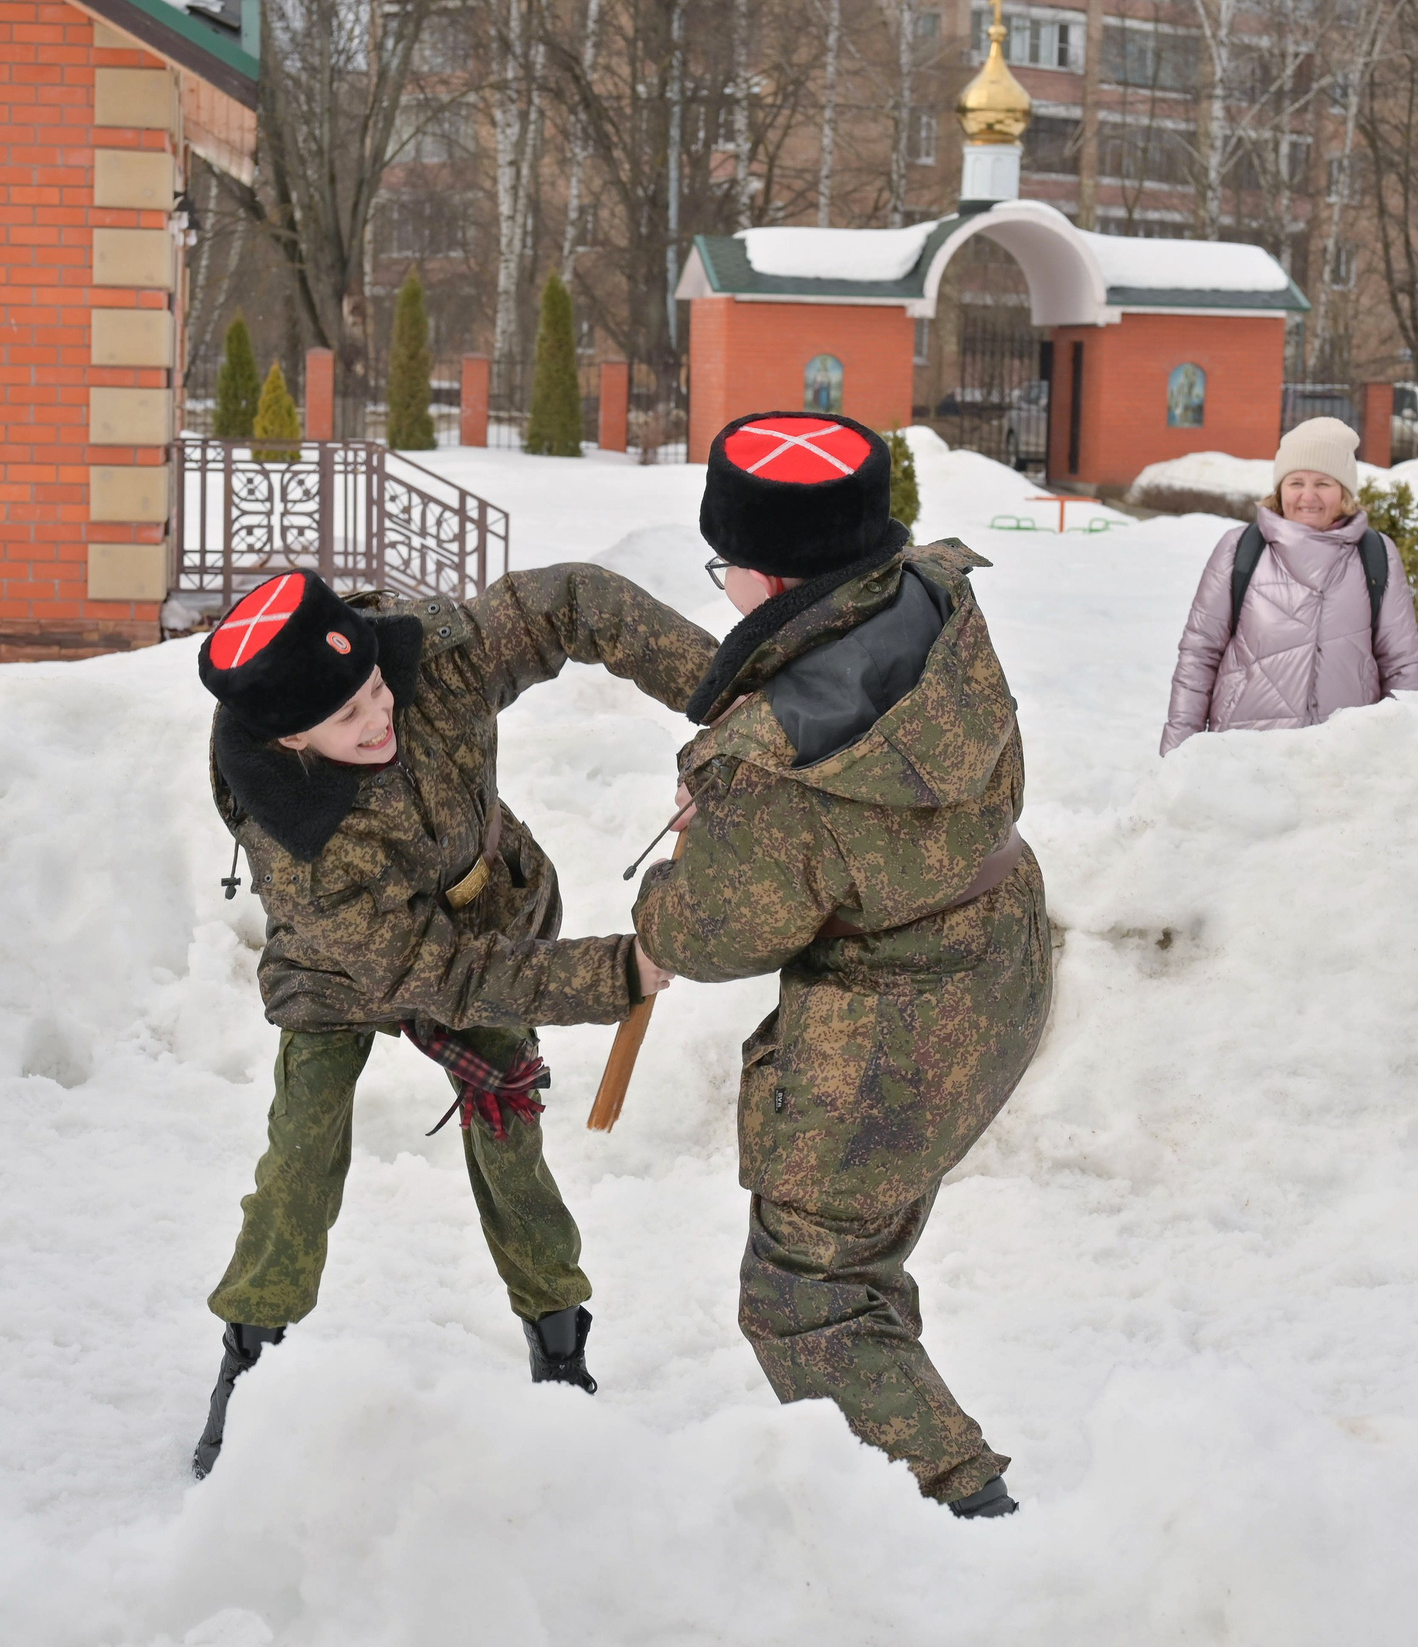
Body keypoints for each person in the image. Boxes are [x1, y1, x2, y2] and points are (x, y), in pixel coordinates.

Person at [190, 562, 715, 1478]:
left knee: (510, 1133)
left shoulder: (430, 663)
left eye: (375, 689)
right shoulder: (303, 854)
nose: (380, 713)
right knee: (303, 1158)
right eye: (349, 718)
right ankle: (251, 1361)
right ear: (290, 744)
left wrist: (727, 704)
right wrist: (613, 973)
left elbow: (574, 604)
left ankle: (559, 1345)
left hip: (484, 911)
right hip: (351, 963)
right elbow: (440, 976)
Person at [631, 412, 1051, 1520]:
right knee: (858, 1251)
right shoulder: (931, 594)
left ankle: (959, 1510)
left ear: (768, 576)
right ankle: (904, 1444)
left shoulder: (778, 760)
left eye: (725, 569)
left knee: (804, 1292)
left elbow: (707, 935)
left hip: (890, 1038)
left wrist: (681, 866)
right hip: (992, 951)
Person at [1161, 416, 1418, 756]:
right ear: (1280, 489)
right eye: (1296, 482)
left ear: (1345, 491)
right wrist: (1176, 757)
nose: (1307, 496)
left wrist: (1409, 756)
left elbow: (1402, 665)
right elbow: (1199, 656)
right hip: (1244, 755)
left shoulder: (1376, 555)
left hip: (1344, 758)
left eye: (1324, 483)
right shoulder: (1239, 550)